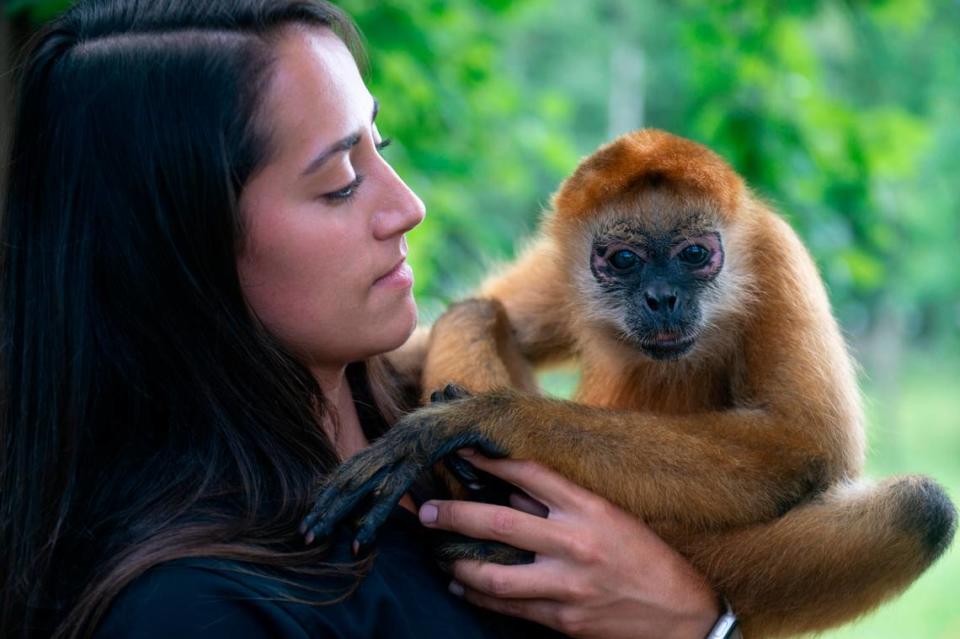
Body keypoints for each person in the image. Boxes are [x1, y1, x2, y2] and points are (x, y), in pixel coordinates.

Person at [0, 1, 721, 638]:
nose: (408, 207)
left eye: (382, 146)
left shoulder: (453, 436)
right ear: (179, 244)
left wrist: (698, 620)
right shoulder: (195, 609)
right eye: (341, 183)